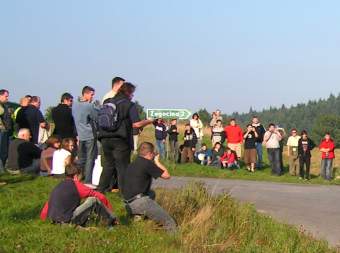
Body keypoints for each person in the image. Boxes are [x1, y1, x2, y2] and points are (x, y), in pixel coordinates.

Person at [97, 82, 153, 193]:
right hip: (120, 139)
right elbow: (136, 124)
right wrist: (149, 121)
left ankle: (100, 190)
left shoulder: (108, 102)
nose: (132, 96)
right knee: (122, 167)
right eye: (132, 93)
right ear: (128, 93)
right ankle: (125, 193)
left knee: (108, 165)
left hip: (104, 137)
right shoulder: (129, 104)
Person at [121, 142, 177, 233]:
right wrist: (157, 162)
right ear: (150, 154)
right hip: (140, 202)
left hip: (127, 202)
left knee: (152, 193)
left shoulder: (133, 163)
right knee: (169, 221)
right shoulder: (147, 163)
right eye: (153, 154)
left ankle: (139, 216)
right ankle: (175, 243)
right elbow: (167, 175)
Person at [40, 164, 118, 228]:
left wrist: (43, 218)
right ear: (76, 176)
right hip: (67, 221)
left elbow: (50, 202)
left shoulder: (59, 186)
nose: (81, 180)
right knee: (93, 200)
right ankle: (112, 221)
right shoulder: (76, 185)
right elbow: (101, 197)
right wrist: (111, 213)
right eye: (81, 178)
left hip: (55, 221)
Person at [72, 86, 98, 184]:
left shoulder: (74, 105)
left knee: (81, 159)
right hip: (90, 134)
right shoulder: (88, 106)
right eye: (91, 95)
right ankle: (88, 181)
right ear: (86, 94)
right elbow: (96, 117)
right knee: (90, 159)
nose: (92, 97)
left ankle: (78, 177)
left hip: (80, 134)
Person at [0, 89, 13, 172]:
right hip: (2, 131)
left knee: (4, 151)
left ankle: (3, 169)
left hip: (6, 131)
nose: (7, 98)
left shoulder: (5, 106)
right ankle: (2, 169)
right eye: (6, 96)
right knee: (2, 151)